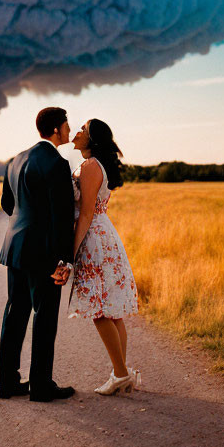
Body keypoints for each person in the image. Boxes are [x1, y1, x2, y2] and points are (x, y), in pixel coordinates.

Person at [0, 107, 76, 402]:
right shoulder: (56, 162)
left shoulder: (15, 159)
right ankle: (41, 386)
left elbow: (8, 204)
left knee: (15, 313)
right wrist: (64, 260)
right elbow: (62, 216)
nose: (69, 129)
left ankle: (8, 383)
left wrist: (25, 224)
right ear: (56, 129)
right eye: (67, 125)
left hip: (15, 247)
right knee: (44, 317)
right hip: (42, 252)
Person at [68, 119, 140, 395]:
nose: (77, 131)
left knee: (99, 310)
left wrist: (71, 253)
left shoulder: (89, 167)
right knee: (111, 311)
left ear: (92, 139)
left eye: (83, 129)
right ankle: (121, 372)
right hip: (104, 234)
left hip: (93, 239)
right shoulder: (95, 164)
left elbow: (85, 212)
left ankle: (120, 374)